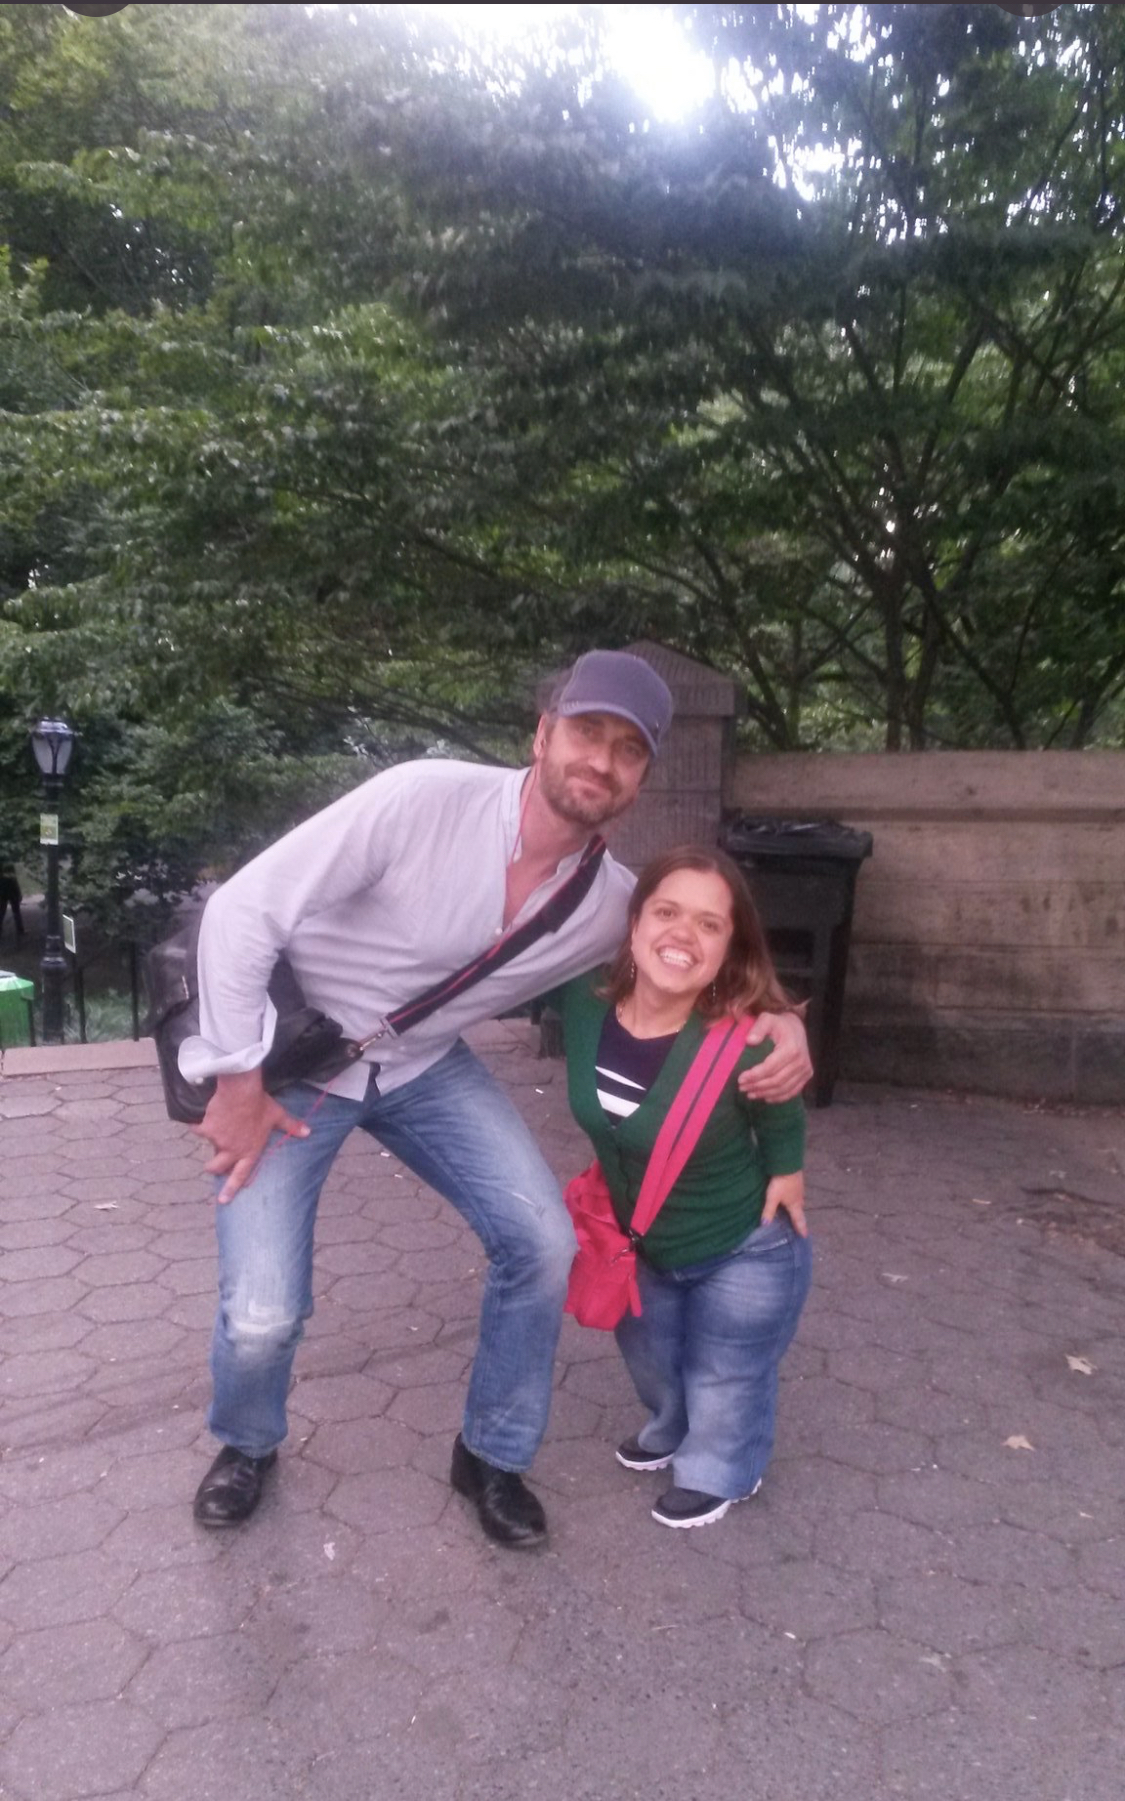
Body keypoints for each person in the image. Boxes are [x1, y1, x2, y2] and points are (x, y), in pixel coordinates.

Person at [180, 651, 813, 1547]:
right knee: (261, 1312)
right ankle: (247, 1444)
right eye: (586, 732)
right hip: (292, 1064)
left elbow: (696, 960)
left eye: (628, 750)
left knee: (543, 1243)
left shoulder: (609, 906)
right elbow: (242, 912)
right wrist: (237, 1077)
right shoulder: (421, 799)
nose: (601, 760)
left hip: (420, 1065)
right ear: (543, 734)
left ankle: (492, 1453)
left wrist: (783, 1024)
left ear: (640, 778)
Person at [550, 846, 811, 1528]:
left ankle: (721, 1468)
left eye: (708, 923)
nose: (683, 934)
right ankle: (671, 1428)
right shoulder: (582, 1001)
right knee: (653, 1360)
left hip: (743, 1246)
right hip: (640, 1242)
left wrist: (788, 1171)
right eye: (666, 912)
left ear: (728, 950)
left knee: (726, 1371)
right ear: (634, 922)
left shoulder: (747, 1041)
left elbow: (779, 1112)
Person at [0, 864, 23, 943]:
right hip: (13, 896)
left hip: (3, 896)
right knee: (17, 913)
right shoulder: (13, 879)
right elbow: (17, 888)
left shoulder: (2, 879)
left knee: (1, 913)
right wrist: (19, 896)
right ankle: (20, 929)